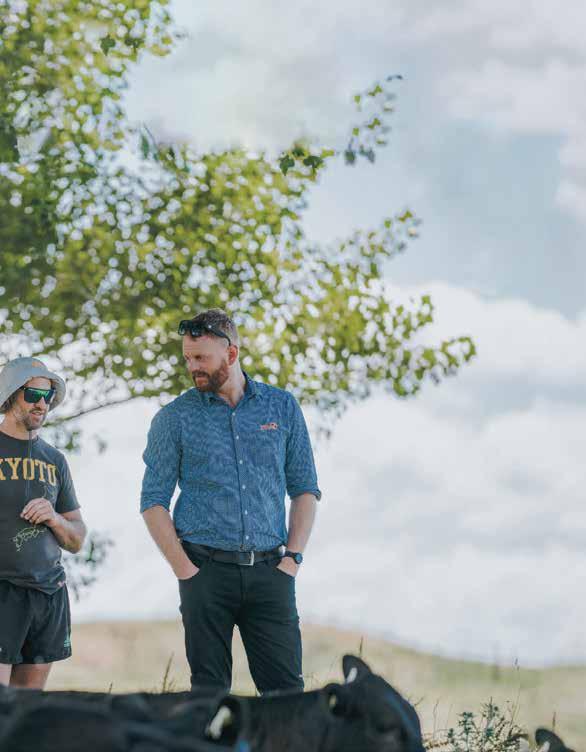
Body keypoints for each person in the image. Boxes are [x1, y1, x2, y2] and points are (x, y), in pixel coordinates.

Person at [141, 309, 321, 693]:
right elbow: (153, 501)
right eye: (188, 358)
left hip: (271, 572)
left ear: (232, 353)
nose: (192, 367)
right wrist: (185, 571)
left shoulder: (282, 407)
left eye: (201, 358)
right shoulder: (174, 418)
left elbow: (305, 488)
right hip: (204, 573)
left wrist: (292, 560)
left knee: (286, 697)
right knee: (208, 698)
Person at [0, 357, 87, 688]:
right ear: (10, 395)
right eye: (33, 394)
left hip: (48, 595)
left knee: (28, 710)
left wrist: (54, 518)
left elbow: (77, 539)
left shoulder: (54, 460)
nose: (42, 403)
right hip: (3, 592)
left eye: (48, 396)